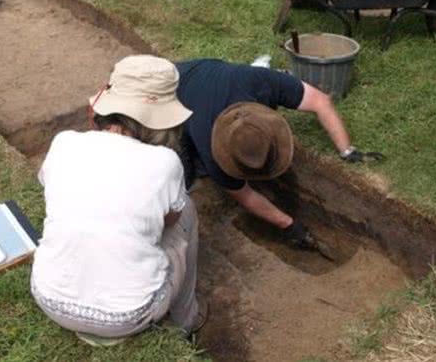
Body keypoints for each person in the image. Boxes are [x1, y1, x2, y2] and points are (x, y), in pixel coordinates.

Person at [31, 55, 206, 346]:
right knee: (185, 210)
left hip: (48, 297)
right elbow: (170, 222)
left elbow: (49, 186)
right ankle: (187, 319)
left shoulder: (64, 142)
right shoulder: (165, 162)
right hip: (127, 315)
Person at [175, 58, 382, 249]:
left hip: (213, 74)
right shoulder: (210, 146)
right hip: (174, 88)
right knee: (184, 168)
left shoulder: (261, 80)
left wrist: (347, 150)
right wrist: (288, 225)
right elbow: (244, 196)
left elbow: (320, 101)